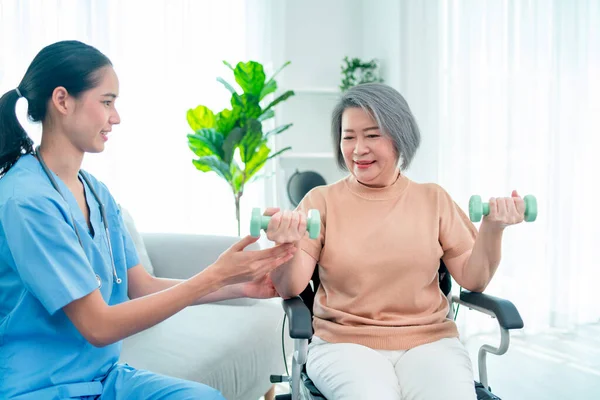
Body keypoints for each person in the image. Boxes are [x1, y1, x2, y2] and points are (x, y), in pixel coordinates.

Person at [0, 40, 297, 400]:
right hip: (42, 388)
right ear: (62, 100)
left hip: (104, 379)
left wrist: (239, 287)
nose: (116, 117)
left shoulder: (95, 192)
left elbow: (139, 285)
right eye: (107, 102)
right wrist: (213, 275)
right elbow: (98, 325)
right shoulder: (25, 200)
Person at [265, 83, 527, 399]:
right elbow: (289, 287)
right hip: (343, 343)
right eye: (349, 137)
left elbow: (475, 278)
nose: (358, 149)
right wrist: (286, 245)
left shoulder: (434, 200)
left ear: (399, 137)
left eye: (372, 135)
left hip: (430, 342)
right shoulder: (320, 202)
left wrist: (493, 227)